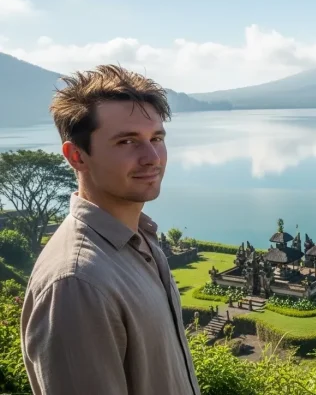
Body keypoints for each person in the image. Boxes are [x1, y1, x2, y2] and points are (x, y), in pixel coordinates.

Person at [20, 65, 201, 395]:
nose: (152, 157)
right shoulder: (77, 283)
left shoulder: (140, 239)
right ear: (77, 156)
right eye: (127, 141)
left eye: (156, 138)